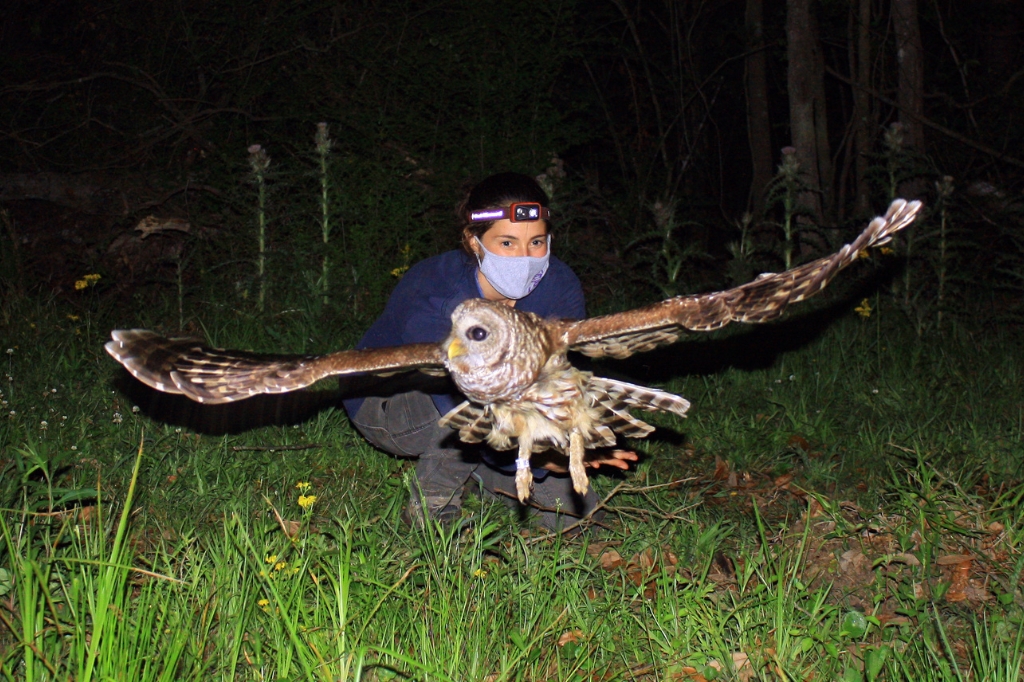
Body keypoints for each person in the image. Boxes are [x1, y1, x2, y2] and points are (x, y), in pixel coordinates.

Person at [342, 172, 635, 530]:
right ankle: (434, 506)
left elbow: (555, 378)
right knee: (467, 409)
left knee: (574, 517)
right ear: (474, 241)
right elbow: (463, 405)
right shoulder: (437, 294)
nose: (525, 258)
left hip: (505, 404)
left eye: (537, 242)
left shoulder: (558, 285)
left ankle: (486, 474)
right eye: (507, 243)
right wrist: (539, 459)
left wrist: (569, 444)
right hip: (395, 400)